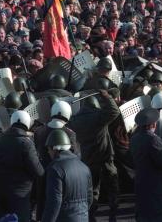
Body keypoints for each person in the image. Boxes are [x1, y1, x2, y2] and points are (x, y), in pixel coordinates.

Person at [0, 110, 44, 221]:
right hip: (20, 194)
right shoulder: (26, 143)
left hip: (1, 189)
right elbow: (38, 171)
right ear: (27, 123)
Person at [69, 90, 120, 221]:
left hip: (88, 159)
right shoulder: (98, 117)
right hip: (105, 157)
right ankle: (113, 215)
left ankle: (91, 216)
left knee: (93, 190)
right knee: (112, 188)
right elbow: (114, 111)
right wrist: (107, 97)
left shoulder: (74, 120)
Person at [34, 100, 79, 219]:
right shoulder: (70, 134)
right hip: (62, 173)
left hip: (43, 173)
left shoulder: (39, 131)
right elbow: (75, 156)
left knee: (44, 206)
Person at [130, 107, 162, 222]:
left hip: (141, 179)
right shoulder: (153, 139)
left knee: (144, 211)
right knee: (158, 212)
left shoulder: (134, 138)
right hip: (155, 181)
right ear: (153, 124)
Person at [42, 129, 93, 222]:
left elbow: (54, 202)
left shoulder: (55, 168)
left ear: (55, 148)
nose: (48, 152)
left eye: (48, 149)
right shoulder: (84, 167)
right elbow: (89, 198)